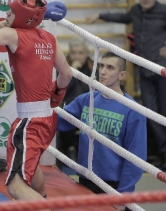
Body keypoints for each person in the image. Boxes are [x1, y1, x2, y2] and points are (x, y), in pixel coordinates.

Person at [0, 0, 72, 201]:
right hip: (47, 119)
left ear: (24, 17)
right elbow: (66, 74)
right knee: (30, 167)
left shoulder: (14, 35)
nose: (6, 15)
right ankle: (41, 199)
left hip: (29, 123)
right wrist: (57, 94)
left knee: (15, 187)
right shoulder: (49, 38)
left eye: (11, 12)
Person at [86, 0, 166, 169]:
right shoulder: (136, 11)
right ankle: (163, 151)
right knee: (148, 112)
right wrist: (100, 15)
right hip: (145, 70)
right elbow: (122, 17)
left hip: (164, 69)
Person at [57, 52, 147, 211]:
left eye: (110, 67)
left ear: (122, 75)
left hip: (113, 186)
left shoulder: (132, 110)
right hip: (86, 178)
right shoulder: (87, 99)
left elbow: (136, 157)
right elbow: (59, 121)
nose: (103, 71)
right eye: (101, 66)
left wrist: (123, 194)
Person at [57, 37, 93, 161]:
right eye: (73, 53)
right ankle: (70, 148)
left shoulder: (94, 68)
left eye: (80, 53)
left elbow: (94, 91)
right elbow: (60, 91)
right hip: (69, 107)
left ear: (87, 54)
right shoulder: (62, 67)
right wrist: (71, 72)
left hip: (89, 108)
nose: (77, 56)